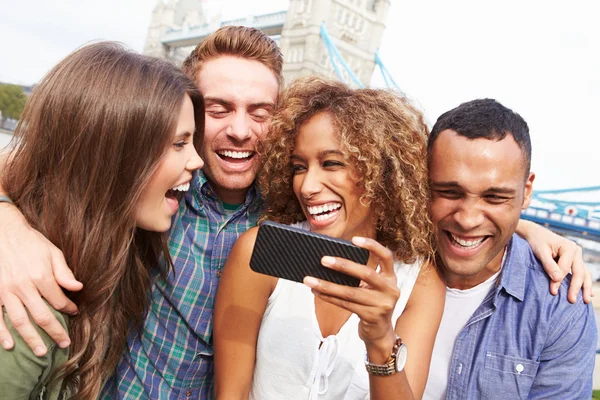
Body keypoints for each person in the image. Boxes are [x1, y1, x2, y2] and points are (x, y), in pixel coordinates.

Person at [0, 26, 591, 399]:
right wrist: (7, 220)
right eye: (215, 110)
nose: (237, 130)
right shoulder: (181, 205)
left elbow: (458, 214)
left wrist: (522, 227)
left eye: (260, 111)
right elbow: (74, 168)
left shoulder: (390, 268)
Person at [214, 77, 445, 399]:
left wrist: (380, 339)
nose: (307, 187)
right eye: (298, 167)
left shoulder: (419, 283)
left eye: (331, 163)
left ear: (382, 170)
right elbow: (230, 394)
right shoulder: (259, 251)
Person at [0, 42, 204, 398]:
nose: (197, 160)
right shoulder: (26, 317)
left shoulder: (108, 261)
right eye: (178, 143)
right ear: (116, 154)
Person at [422, 99, 597, 399]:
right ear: (422, 183)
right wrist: (522, 225)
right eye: (449, 192)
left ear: (525, 193)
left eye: (494, 197)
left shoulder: (560, 310)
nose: (467, 219)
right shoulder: (387, 259)